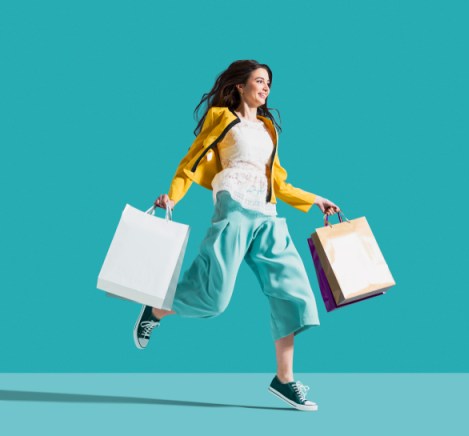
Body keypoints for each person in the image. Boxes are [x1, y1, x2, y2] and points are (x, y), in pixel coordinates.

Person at [135, 59, 339, 412]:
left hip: (268, 214)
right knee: (213, 300)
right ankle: (156, 309)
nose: (265, 87)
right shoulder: (221, 119)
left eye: (269, 83)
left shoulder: (268, 129)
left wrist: (315, 199)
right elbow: (191, 162)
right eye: (259, 81)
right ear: (240, 86)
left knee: (295, 294)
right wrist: (173, 196)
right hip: (234, 208)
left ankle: (285, 380)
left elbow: (278, 182)